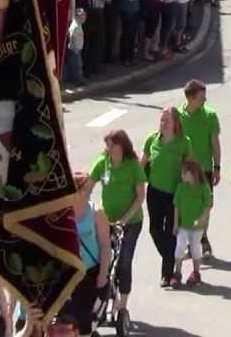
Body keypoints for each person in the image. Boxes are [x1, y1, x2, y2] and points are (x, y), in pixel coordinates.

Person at [87, 130, 146, 326]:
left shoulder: (133, 166)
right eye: (107, 145)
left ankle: (122, 305)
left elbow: (140, 198)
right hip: (108, 223)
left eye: (112, 145)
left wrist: (124, 219)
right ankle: (103, 298)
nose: (108, 149)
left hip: (131, 222)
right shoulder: (102, 163)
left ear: (122, 146)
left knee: (123, 262)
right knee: (103, 261)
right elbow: (86, 188)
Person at [140, 107, 193, 287]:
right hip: (154, 192)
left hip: (174, 194)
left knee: (171, 232)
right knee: (154, 230)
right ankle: (171, 257)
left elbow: (189, 169)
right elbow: (142, 164)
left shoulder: (184, 143)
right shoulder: (152, 140)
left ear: (176, 123)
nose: (163, 124)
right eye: (161, 120)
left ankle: (167, 273)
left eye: (167, 121)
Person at [60, 172, 110, 335]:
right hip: (67, 273)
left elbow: (105, 246)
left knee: (82, 321)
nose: (89, 192)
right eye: (85, 189)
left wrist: (103, 275)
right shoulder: (62, 213)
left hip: (90, 274)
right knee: (63, 319)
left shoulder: (97, 213)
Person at [178, 79, 221, 256]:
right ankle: (193, 241)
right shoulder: (178, 116)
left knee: (205, 205)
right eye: (202, 97)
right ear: (191, 97)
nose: (205, 100)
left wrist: (217, 167)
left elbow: (215, 143)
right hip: (183, 171)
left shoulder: (210, 115)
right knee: (186, 206)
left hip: (204, 169)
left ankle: (202, 238)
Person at [172, 159, 213, 287]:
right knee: (180, 246)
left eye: (184, 173)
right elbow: (177, 207)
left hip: (197, 227)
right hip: (183, 225)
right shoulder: (180, 188)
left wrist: (202, 219)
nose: (182, 175)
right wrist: (175, 223)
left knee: (195, 247)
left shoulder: (204, 188)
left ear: (193, 174)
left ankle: (196, 272)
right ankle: (177, 273)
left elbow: (207, 206)